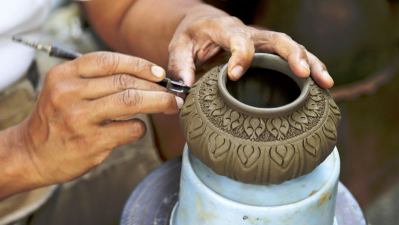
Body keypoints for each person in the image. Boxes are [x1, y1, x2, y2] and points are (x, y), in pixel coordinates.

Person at [0, 0, 334, 224]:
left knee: (188, 116)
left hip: (27, 81)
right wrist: (23, 153)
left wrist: (194, 22)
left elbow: (124, 7)